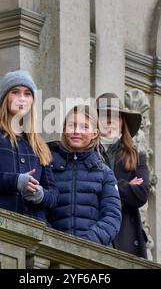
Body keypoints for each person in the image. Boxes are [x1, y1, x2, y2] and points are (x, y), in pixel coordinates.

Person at [0, 70, 58, 223]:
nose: (22, 98)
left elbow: (53, 195)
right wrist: (15, 181)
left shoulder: (38, 144)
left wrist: (39, 194)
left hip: (35, 231)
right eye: (15, 92)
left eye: (27, 94)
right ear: (5, 98)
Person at [48, 105, 121, 246]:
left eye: (84, 127)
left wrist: (86, 243)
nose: (76, 131)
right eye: (71, 125)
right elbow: (40, 210)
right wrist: (54, 241)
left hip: (93, 253)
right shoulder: (48, 167)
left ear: (95, 133)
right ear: (64, 129)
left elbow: (112, 217)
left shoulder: (105, 173)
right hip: (54, 251)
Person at [96, 92, 151, 258]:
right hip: (94, 232)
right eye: (105, 115)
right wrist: (126, 186)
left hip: (126, 237)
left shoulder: (136, 157)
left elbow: (140, 194)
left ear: (122, 124)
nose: (110, 120)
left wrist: (105, 187)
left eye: (116, 117)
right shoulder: (86, 153)